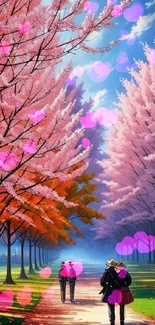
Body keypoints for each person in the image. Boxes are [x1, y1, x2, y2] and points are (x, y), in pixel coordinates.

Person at [100, 258, 120, 325]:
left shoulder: (107, 272)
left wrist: (105, 285)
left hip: (109, 290)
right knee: (113, 305)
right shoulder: (117, 272)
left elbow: (102, 282)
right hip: (116, 290)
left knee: (110, 306)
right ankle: (113, 319)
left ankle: (112, 321)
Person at [114, 261, 133, 325]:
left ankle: (114, 318)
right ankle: (122, 319)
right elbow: (129, 281)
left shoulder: (117, 273)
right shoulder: (126, 273)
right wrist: (125, 285)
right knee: (122, 305)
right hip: (123, 290)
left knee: (114, 304)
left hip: (118, 290)